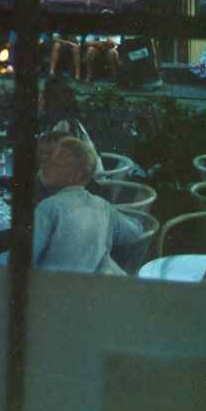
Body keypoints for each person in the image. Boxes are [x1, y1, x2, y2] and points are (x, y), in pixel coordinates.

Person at [32, 137, 142, 273]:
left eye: (55, 164)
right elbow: (135, 231)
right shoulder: (102, 206)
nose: (44, 165)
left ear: (75, 176)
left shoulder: (48, 208)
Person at [38, 76, 104, 176]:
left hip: (85, 182)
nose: (39, 99)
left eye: (42, 95)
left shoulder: (64, 125)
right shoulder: (67, 119)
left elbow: (60, 164)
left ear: (51, 99)